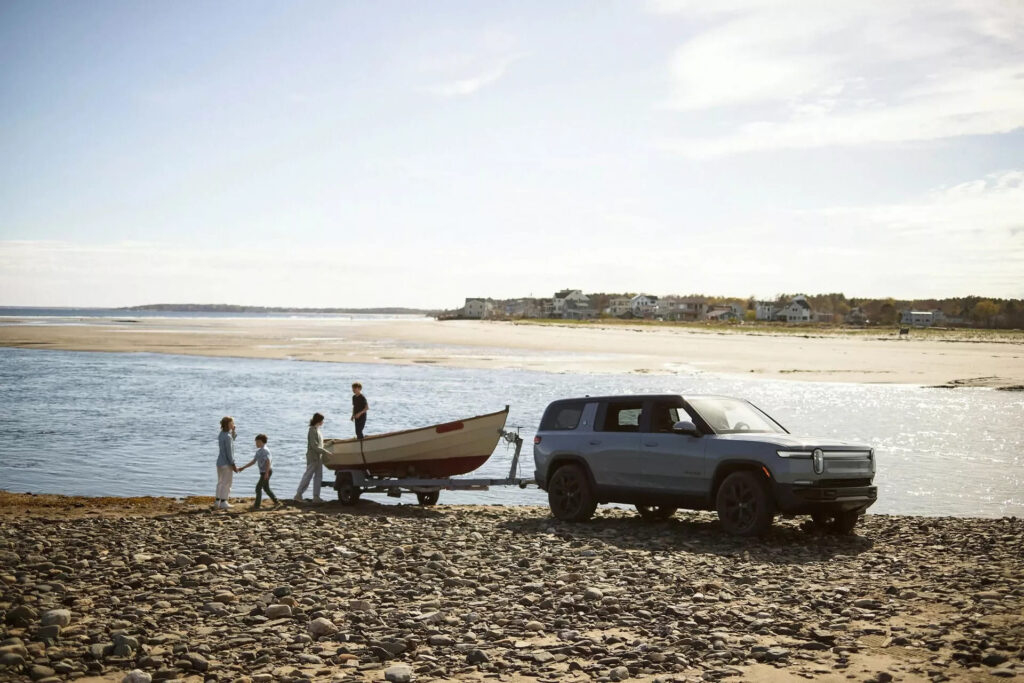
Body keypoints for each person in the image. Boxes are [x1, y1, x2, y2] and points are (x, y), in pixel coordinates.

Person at [295, 412, 331, 503]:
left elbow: (320, 444)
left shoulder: (318, 430)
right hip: (313, 457)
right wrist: (326, 452)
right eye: (322, 420)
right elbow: (314, 446)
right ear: (319, 421)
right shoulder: (312, 430)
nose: (323, 422)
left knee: (318, 476)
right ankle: (298, 495)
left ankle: (316, 497)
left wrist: (330, 443)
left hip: (319, 457)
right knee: (308, 476)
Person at [239, 433, 278, 510]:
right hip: (263, 472)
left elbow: (268, 462)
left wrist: (266, 473)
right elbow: (253, 461)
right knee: (266, 488)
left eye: (257, 442)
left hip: (267, 471)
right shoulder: (259, 451)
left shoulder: (265, 450)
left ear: (262, 442)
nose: (256, 444)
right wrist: (243, 467)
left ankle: (257, 505)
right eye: (256, 442)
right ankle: (276, 501)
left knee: (258, 488)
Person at [216, 416, 239, 510]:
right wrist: (233, 465)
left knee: (220, 482)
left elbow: (232, 438)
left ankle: (217, 501)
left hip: (219, 463)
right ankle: (224, 502)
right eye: (232, 423)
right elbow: (229, 453)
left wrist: (233, 431)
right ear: (228, 424)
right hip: (227, 464)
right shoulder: (228, 437)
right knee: (227, 483)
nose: (233, 424)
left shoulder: (221, 434)